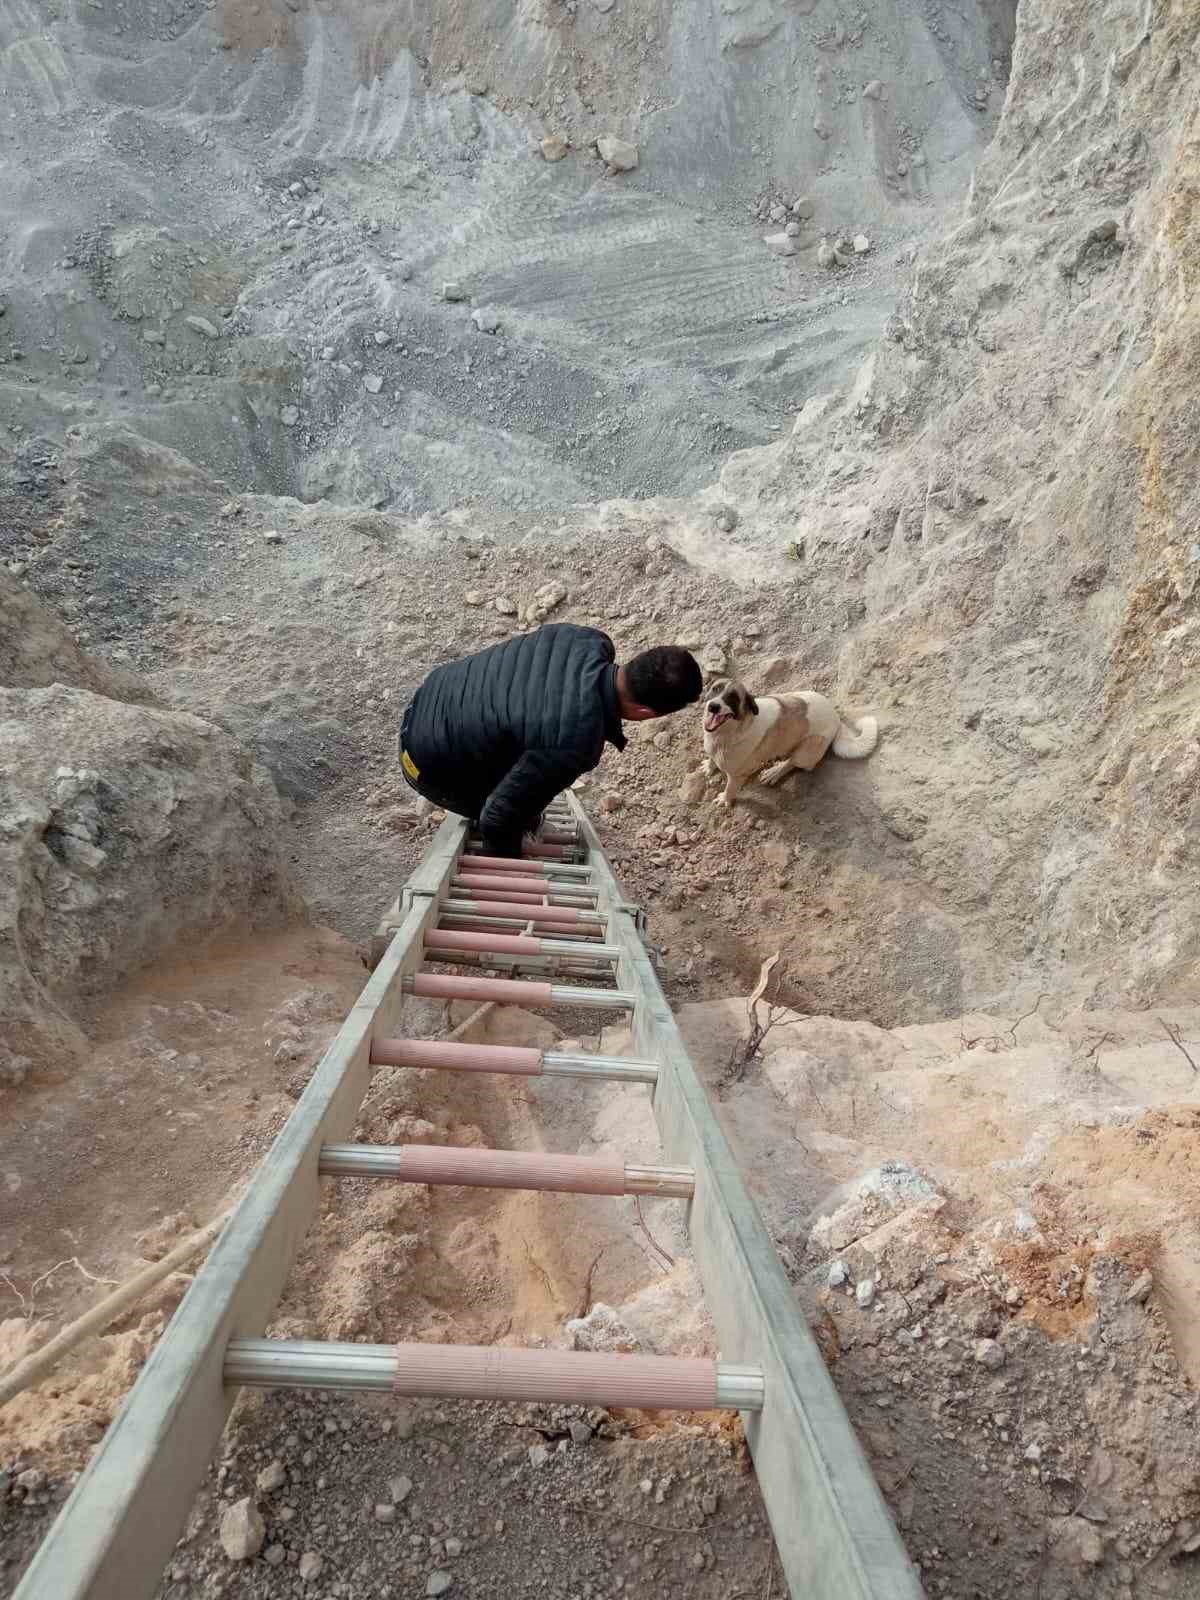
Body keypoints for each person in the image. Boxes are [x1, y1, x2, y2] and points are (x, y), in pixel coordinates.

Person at [398, 623, 703, 858]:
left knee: (529, 759)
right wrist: (507, 869)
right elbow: (497, 818)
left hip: (429, 697)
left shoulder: (588, 640)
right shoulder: (577, 739)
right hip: (423, 761)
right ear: (645, 712)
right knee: (522, 812)